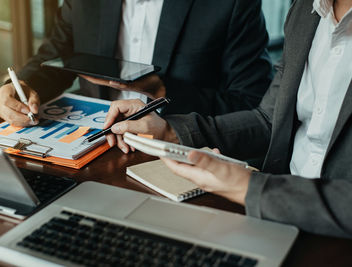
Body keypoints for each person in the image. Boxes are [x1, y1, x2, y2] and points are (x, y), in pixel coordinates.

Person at [103, 0, 352, 238]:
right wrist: (170, 131)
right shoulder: (305, 9)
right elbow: (269, 119)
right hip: (273, 216)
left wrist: (248, 187)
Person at [0, 0, 272, 127]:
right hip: (91, 140)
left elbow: (253, 106)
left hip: (179, 147)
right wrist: (19, 86)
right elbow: (52, 57)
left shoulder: (233, 4)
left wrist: (162, 90)